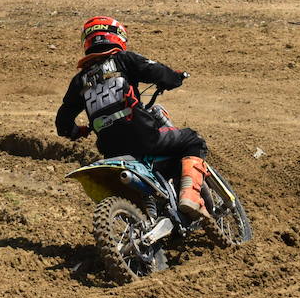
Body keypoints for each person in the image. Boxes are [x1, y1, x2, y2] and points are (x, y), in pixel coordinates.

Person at [55, 17, 210, 222]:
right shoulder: (123, 59)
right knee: (192, 140)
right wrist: (175, 77)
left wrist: (78, 131)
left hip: (111, 149)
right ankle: (190, 196)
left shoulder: (78, 81)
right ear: (117, 35)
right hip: (144, 136)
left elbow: (62, 123)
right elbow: (158, 72)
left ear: (87, 41)